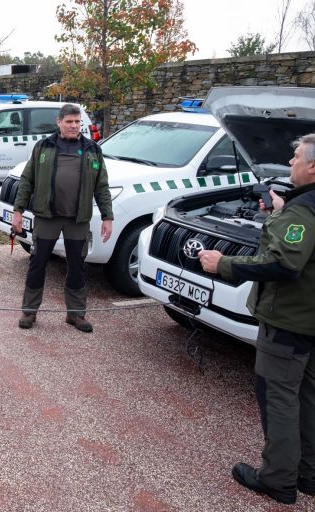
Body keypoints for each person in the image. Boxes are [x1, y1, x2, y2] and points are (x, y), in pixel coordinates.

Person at [199, 134, 315, 506]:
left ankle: (277, 478)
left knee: (279, 398)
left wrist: (224, 264)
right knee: (308, 397)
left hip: (289, 321)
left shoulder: (302, 212)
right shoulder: (299, 209)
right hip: (310, 321)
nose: (291, 162)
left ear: (312, 166)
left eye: (296, 156)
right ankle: (308, 473)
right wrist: (281, 212)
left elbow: (283, 263)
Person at [12, 103, 114, 333]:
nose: (74, 126)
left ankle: (76, 314)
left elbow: (102, 186)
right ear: (59, 122)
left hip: (77, 219)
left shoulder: (92, 149)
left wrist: (108, 216)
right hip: (47, 216)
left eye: (77, 122)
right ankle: (29, 310)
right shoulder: (44, 147)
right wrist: (18, 211)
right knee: (38, 263)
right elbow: (27, 180)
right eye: (69, 122)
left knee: (77, 265)